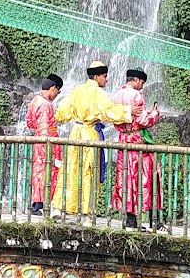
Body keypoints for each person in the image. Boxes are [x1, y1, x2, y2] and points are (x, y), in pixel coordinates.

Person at [53, 61, 131, 216]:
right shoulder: (98, 93)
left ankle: (58, 208)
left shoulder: (76, 90)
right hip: (90, 134)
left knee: (70, 168)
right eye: (104, 76)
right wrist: (128, 111)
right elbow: (108, 112)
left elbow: (62, 112)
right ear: (97, 77)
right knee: (88, 171)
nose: (107, 79)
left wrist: (61, 118)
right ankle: (86, 212)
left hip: (75, 133)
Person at [110, 67, 162, 230]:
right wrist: (154, 114)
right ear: (137, 80)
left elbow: (112, 116)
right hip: (137, 141)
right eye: (142, 82)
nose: (142, 86)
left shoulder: (116, 95)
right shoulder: (136, 95)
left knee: (126, 178)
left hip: (123, 139)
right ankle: (155, 222)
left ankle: (130, 221)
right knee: (150, 176)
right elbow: (143, 121)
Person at [24, 75, 63, 214]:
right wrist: (49, 149)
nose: (56, 95)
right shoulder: (46, 105)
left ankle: (37, 204)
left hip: (38, 139)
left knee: (39, 172)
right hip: (47, 141)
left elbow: (29, 123)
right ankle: (41, 205)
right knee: (49, 171)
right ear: (53, 88)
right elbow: (45, 128)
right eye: (57, 92)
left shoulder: (35, 100)